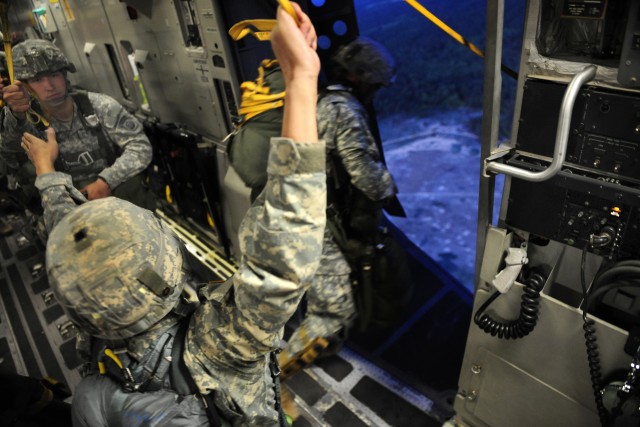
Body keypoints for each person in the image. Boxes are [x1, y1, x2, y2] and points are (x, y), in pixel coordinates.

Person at [20, 3, 323, 426]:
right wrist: (301, 79)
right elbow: (282, 260)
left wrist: (48, 175)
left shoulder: (94, 348)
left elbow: (70, 248)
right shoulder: (219, 343)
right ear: (167, 269)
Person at [278, 36, 402, 378]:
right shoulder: (345, 111)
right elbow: (364, 172)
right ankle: (271, 380)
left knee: (331, 300)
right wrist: (389, 187)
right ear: (361, 79)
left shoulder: (323, 101)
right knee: (334, 310)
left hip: (303, 210)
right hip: (309, 220)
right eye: (375, 86)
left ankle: (318, 348)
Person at [0, 38, 155, 214]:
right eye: (37, 79)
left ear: (65, 75)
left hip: (112, 197)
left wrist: (106, 182)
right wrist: (17, 115)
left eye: (54, 75)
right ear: (24, 85)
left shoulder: (100, 106)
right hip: (63, 207)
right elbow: (11, 154)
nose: (49, 86)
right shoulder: (22, 121)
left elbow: (140, 147)